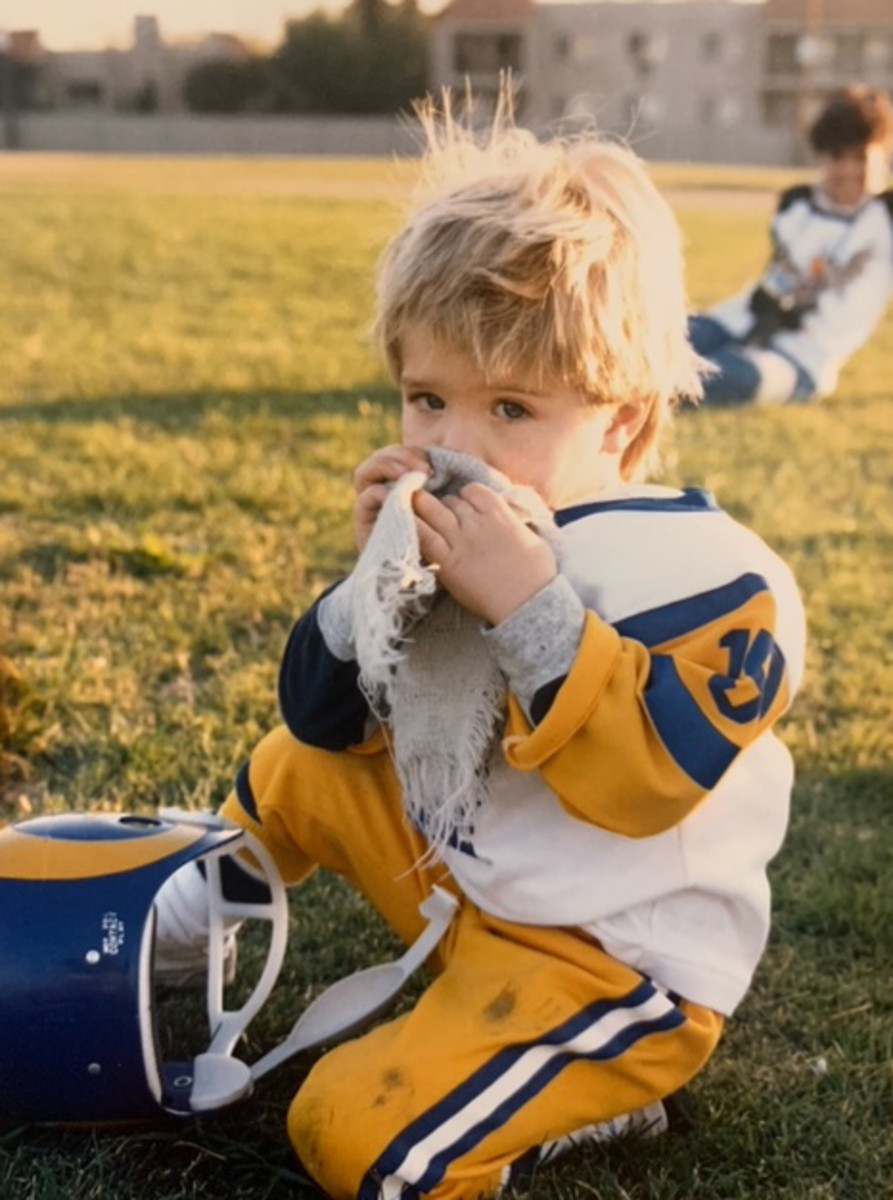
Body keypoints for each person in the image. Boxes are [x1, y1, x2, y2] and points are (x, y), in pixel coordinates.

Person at [155, 92, 806, 1199]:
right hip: (474, 890)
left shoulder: (711, 575)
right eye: (425, 399)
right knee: (302, 764)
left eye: (511, 408)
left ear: (623, 421)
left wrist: (527, 607)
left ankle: (601, 1093)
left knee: (350, 1132)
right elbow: (325, 717)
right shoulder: (446, 529)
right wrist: (366, 592)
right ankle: (180, 916)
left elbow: (638, 787)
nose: (453, 445)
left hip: (608, 959)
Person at [690, 84, 893, 405]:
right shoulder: (797, 204)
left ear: (882, 153)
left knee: (720, 379)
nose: (850, 170)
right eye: (838, 157)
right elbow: (779, 277)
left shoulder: (885, 218)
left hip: (800, 359)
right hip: (743, 319)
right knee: (667, 341)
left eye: (861, 156)